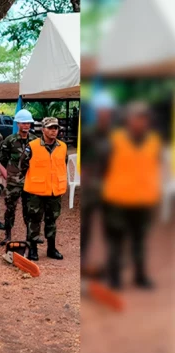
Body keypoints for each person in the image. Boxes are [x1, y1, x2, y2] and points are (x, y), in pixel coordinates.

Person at [100, 102, 162, 289]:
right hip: (117, 200)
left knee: (139, 241)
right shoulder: (114, 140)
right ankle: (114, 278)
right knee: (116, 242)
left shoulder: (154, 141)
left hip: (143, 201)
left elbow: (155, 168)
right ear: (128, 120)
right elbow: (102, 167)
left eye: (144, 119)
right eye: (137, 118)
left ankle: (140, 276)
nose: (140, 123)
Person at [19, 117, 68, 261]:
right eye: (50, 128)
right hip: (36, 191)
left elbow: (62, 164)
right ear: (43, 129)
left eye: (56, 128)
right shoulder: (32, 146)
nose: (54, 131)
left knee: (52, 220)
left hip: (54, 191)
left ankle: (51, 249)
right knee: (34, 220)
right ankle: (33, 249)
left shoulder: (63, 146)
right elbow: (22, 165)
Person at [80, 92, 114, 272]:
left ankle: (112, 263)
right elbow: (82, 160)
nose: (104, 114)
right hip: (91, 186)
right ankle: (83, 261)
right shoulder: (88, 134)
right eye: (101, 111)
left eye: (107, 111)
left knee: (112, 225)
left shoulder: (116, 135)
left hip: (112, 185)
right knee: (86, 225)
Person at [0, 109, 38, 243]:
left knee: (29, 209)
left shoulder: (35, 141)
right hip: (13, 181)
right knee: (10, 208)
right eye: (23, 123)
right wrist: (7, 174)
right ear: (18, 124)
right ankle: (8, 235)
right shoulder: (9, 140)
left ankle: (30, 235)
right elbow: (2, 160)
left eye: (28, 123)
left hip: (29, 181)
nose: (26, 125)